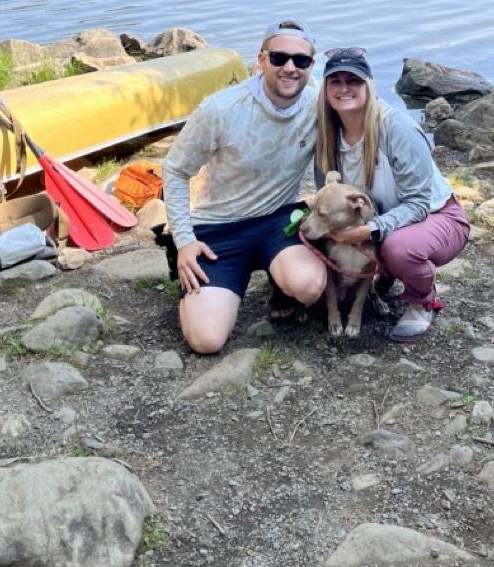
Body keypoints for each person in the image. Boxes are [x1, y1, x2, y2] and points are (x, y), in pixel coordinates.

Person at [163, 19, 329, 354]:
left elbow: (362, 117)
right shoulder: (220, 109)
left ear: (312, 65)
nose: (290, 68)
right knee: (206, 341)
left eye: (301, 61)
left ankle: (280, 282)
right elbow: (175, 170)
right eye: (279, 58)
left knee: (309, 287)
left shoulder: (320, 103)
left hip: (277, 219)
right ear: (261, 59)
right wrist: (183, 241)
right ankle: (192, 285)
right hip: (219, 229)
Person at [314, 47, 470, 342]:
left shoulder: (397, 128)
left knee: (397, 249)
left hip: (436, 216)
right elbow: (327, 196)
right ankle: (369, 285)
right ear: (325, 89)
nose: (344, 88)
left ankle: (422, 300)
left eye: (354, 80)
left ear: (370, 85)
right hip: (383, 219)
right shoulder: (327, 133)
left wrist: (370, 230)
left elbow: (419, 203)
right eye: (335, 81)